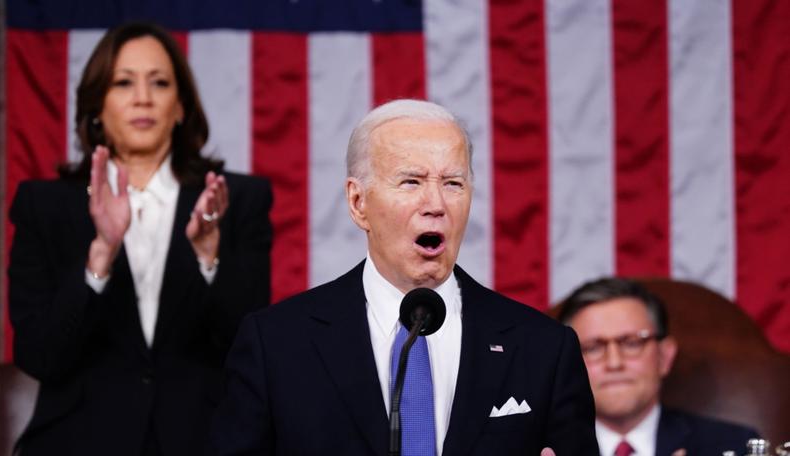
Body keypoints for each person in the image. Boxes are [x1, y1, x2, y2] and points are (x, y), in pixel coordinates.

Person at [210, 99, 598, 455]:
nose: (436, 205)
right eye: (411, 181)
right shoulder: (276, 344)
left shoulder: (544, 349)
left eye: (453, 184)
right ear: (358, 202)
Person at [8, 22, 272, 455]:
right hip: (77, 442)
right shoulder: (44, 205)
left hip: (203, 440)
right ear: (97, 106)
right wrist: (100, 256)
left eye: (160, 83)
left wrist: (209, 258)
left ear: (181, 105)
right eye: (123, 82)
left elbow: (250, 350)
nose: (143, 98)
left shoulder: (238, 199)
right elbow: (39, 356)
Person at [558, 278, 759, 456]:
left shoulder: (735, 446)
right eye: (593, 348)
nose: (614, 363)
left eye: (632, 343)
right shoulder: (541, 448)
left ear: (664, 356)